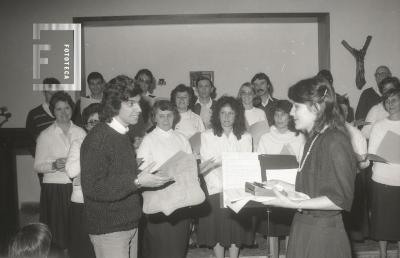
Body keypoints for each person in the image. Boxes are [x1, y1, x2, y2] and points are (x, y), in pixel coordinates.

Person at [264, 76, 357, 258]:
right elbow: (312, 189)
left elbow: (339, 200)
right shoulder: (314, 138)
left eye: (297, 106)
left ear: (316, 107)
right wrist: (281, 185)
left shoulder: (336, 141)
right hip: (304, 226)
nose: (291, 112)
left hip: (323, 235)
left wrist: (293, 203)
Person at [80, 75, 170, 258]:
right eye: (131, 103)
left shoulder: (121, 135)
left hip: (128, 222)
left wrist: (147, 175)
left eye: (138, 103)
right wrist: (137, 180)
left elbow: (118, 173)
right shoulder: (98, 138)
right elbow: (93, 187)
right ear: (114, 105)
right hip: (109, 229)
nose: (139, 108)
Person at [197, 96, 253, 258]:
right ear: (217, 115)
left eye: (231, 113)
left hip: (237, 189)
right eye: (223, 113)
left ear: (237, 116)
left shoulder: (245, 136)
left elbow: (244, 164)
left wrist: (234, 188)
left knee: (235, 227)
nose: (227, 117)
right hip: (215, 187)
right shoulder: (207, 136)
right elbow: (208, 164)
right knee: (217, 227)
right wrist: (221, 188)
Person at [137, 100, 194, 258]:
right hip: (159, 197)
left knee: (178, 245)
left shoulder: (181, 138)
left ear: (174, 117)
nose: (166, 119)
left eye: (169, 115)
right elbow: (140, 171)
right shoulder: (149, 140)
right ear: (154, 118)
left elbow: (189, 166)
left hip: (181, 198)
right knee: (160, 246)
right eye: (161, 116)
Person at [34, 91, 86, 250]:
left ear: (72, 109)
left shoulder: (81, 132)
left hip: (76, 187)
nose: (64, 112)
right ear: (52, 111)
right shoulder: (45, 135)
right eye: (59, 109)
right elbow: (37, 166)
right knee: (58, 235)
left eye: (67, 108)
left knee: (76, 231)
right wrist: (54, 165)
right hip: (55, 189)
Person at [256, 100, 305, 258]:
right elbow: (259, 163)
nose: (279, 118)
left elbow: (303, 164)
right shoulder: (265, 138)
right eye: (276, 114)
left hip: (291, 189)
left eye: (283, 114)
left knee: (292, 228)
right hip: (272, 190)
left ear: (290, 117)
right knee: (273, 229)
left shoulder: (299, 137)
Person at [65, 103, 101, 258]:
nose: (96, 125)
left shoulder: (112, 142)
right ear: (86, 125)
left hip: (103, 201)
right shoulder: (78, 143)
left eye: (100, 121)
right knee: (82, 247)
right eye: (92, 122)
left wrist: (85, 174)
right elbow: (71, 171)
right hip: (81, 202)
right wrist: (90, 149)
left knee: (100, 246)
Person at [368, 88, 400, 258]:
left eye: (394, 100)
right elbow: (371, 153)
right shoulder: (379, 126)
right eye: (387, 101)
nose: (390, 104)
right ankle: (382, 254)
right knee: (382, 222)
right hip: (382, 179)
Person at [26, 77, 58, 186]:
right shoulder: (34, 114)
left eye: (56, 93)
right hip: (44, 164)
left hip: (64, 163)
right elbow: (30, 140)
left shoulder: (66, 111)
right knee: (48, 195)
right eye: (50, 93)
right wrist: (40, 157)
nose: (53, 96)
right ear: (44, 92)